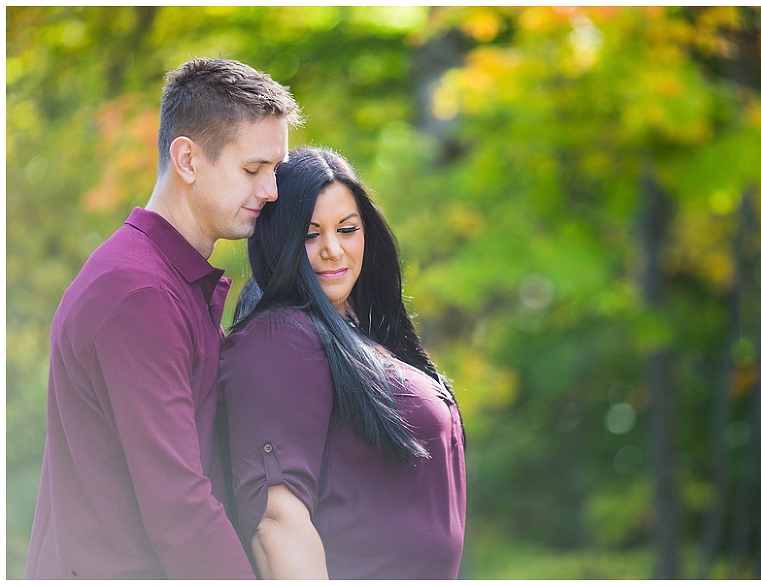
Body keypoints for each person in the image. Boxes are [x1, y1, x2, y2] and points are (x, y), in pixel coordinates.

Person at [24, 57, 302, 579]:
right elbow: (179, 506)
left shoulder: (169, 282)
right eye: (252, 170)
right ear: (188, 160)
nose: (271, 191)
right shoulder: (138, 294)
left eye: (275, 171)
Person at [219, 147, 466, 579]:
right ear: (280, 241)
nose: (333, 250)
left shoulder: (359, 334)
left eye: (347, 229)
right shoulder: (279, 339)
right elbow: (276, 520)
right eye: (310, 235)